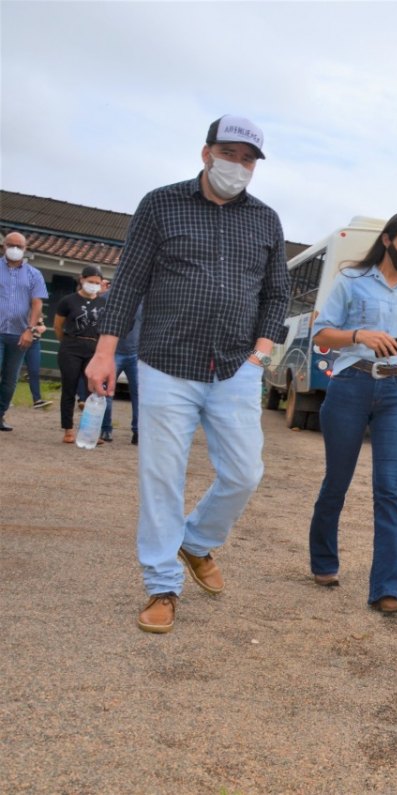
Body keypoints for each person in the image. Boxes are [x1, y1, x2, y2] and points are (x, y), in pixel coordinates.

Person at [86, 114, 288, 634]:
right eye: (230, 154)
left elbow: (277, 293)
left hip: (236, 365)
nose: (238, 166)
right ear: (206, 154)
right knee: (161, 475)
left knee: (246, 473)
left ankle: (195, 542)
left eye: (248, 160)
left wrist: (261, 354)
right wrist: (105, 352)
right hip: (165, 362)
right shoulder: (160, 204)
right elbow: (129, 281)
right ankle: (161, 586)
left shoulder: (265, 220)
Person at [306, 212, 397, 614]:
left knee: (389, 489)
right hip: (350, 385)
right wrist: (359, 335)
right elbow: (321, 333)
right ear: (387, 240)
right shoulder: (351, 281)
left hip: (396, 390)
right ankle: (324, 562)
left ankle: (387, 588)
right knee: (337, 482)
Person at [54, 265, 107, 444]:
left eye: (97, 283)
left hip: (93, 347)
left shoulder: (103, 303)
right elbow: (58, 326)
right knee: (69, 387)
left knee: (94, 390)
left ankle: (90, 431)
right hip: (71, 346)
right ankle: (68, 429)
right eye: (90, 281)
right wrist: (67, 342)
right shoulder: (68, 301)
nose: (93, 285)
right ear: (82, 279)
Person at [0, 231, 48, 431]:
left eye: (19, 246)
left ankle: (0, 414)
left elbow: (37, 303)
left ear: (25, 249)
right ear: (3, 246)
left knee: (10, 380)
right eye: (11, 245)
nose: (15, 249)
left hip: (20, 334)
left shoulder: (33, 274)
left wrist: (30, 329)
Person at [113, 305, 143, 444]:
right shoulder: (109, 298)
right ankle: (105, 428)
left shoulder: (146, 301)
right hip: (114, 351)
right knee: (106, 392)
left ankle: (137, 431)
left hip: (135, 353)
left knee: (139, 394)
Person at [22, 319, 50, 409]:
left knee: (34, 371)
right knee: (12, 371)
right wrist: (34, 329)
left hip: (34, 342)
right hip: (21, 340)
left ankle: (37, 400)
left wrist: (40, 328)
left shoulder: (37, 311)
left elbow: (42, 327)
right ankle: (6, 399)